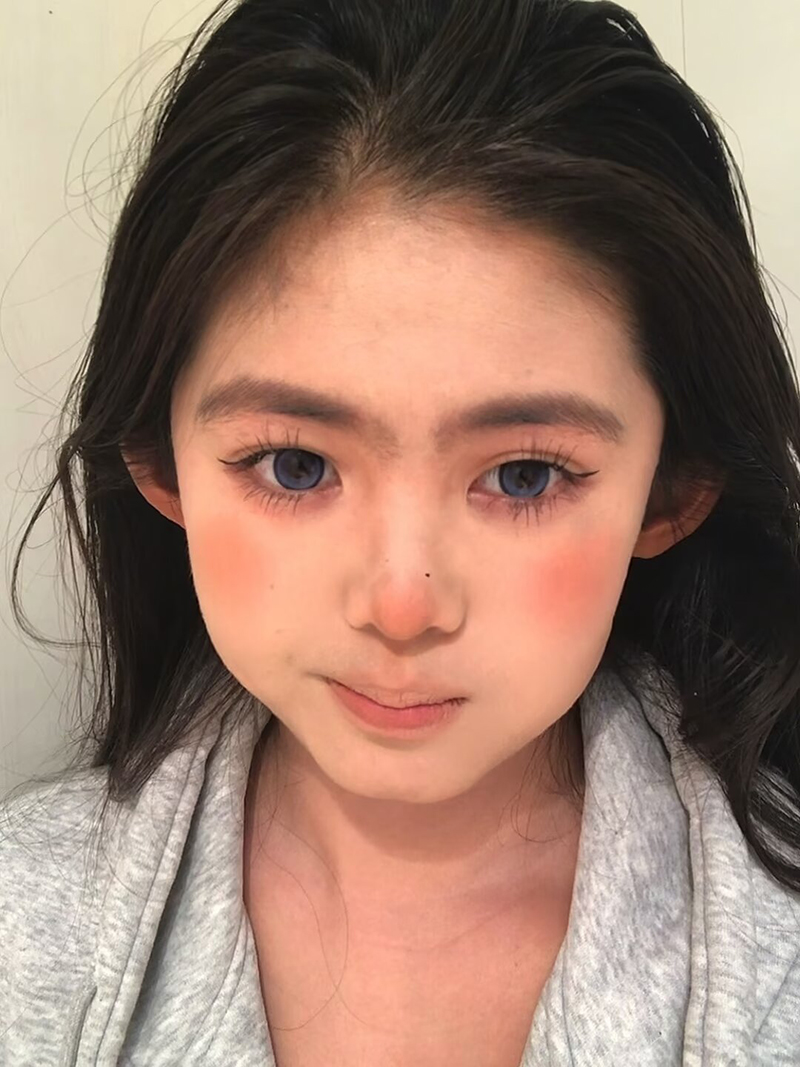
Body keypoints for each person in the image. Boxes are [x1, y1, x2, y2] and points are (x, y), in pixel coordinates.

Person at [2, 0, 799, 1063]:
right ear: (160, 462)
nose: (400, 605)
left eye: (523, 475)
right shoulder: (26, 916)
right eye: (294, 464)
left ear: (670, 492)